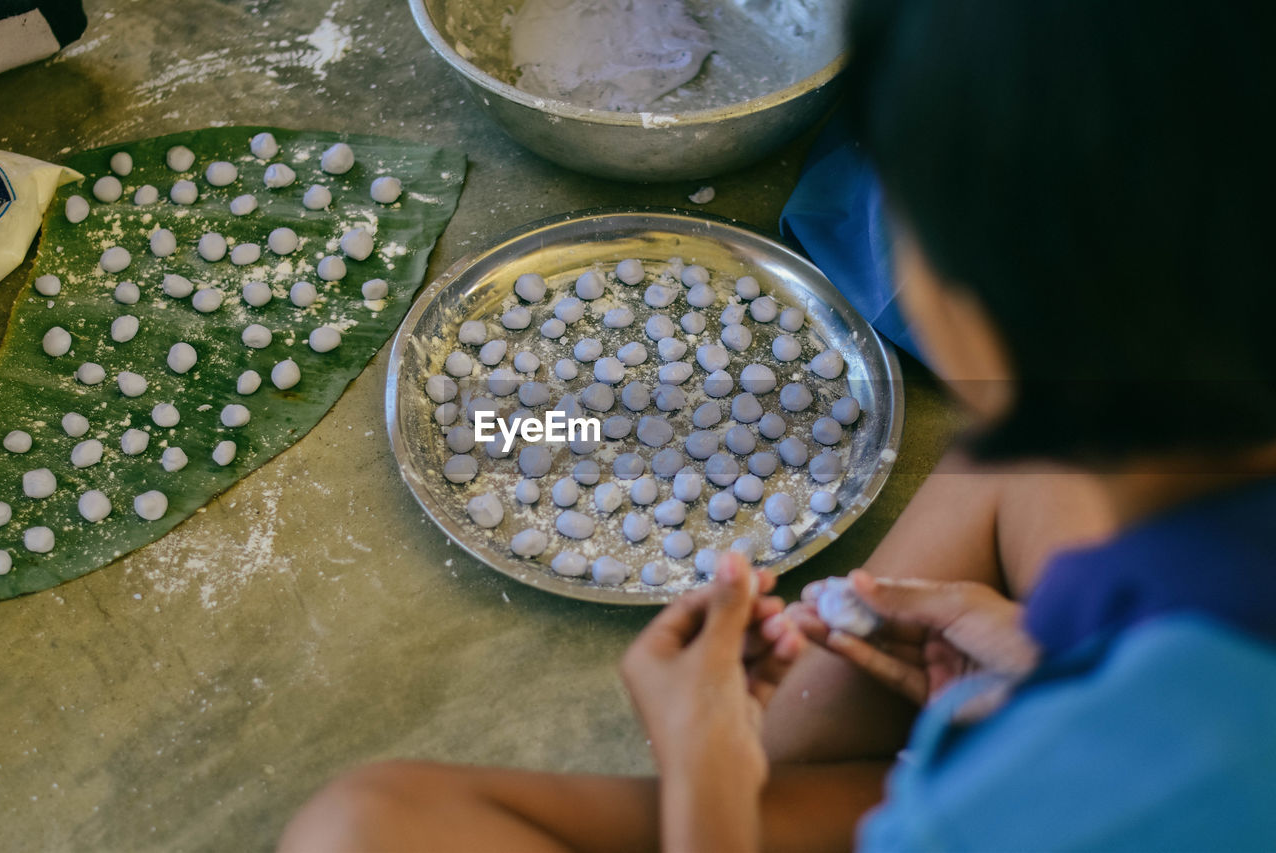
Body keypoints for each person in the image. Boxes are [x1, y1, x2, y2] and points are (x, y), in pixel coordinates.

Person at [280, 0, 1276, 849]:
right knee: (1011, 481)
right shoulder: (1169, 468)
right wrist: (1030, 667)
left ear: (980, 305)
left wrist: (702, 778)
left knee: (363, 825)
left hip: (1048, 788)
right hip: (1073, 721)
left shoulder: (1115, 776)